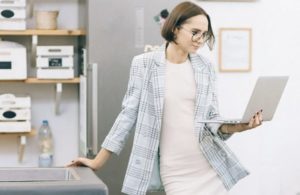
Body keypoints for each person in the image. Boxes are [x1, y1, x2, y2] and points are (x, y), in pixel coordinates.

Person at [67, 2, 263, 195]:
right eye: (195, 32)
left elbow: (211, 119)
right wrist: (97, 161)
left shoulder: (205, 68)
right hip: (174, 170)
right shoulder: (144, 64)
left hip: (207, 165)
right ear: (175, 28)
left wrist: (240, 126)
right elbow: (127, 116)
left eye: (204, 34)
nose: (200, 40)